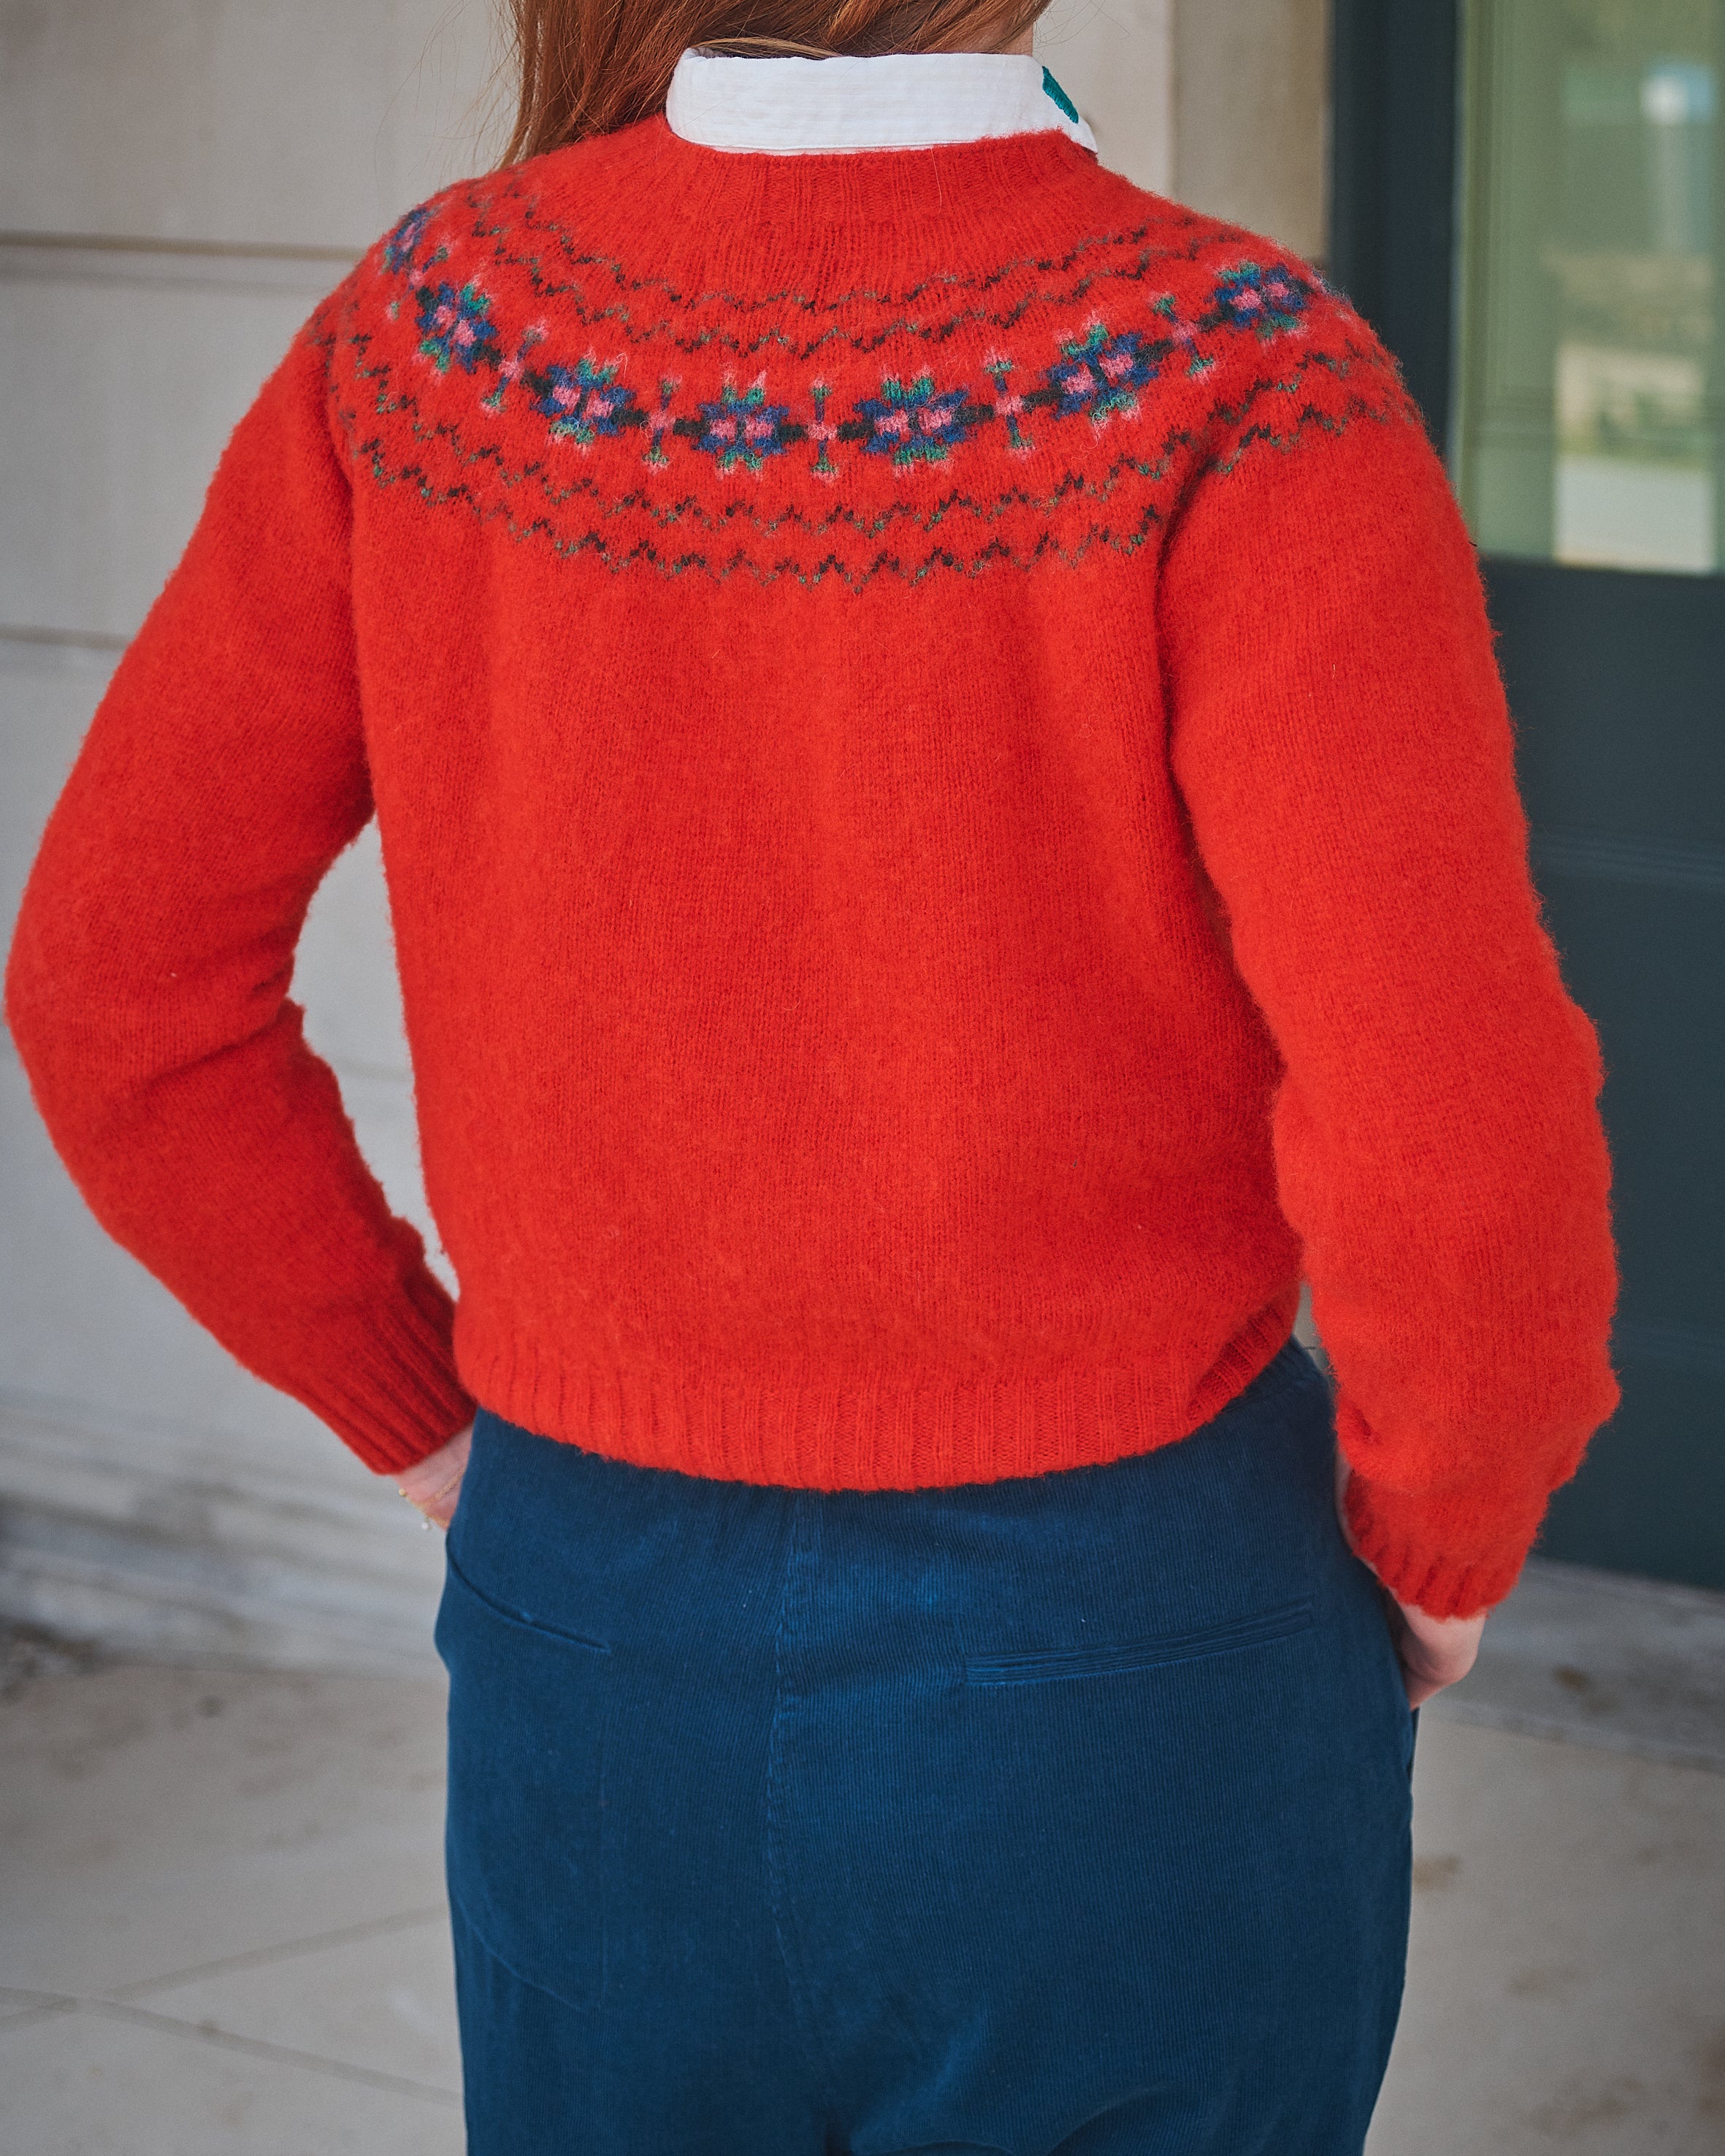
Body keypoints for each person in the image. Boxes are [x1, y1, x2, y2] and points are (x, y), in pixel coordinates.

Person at [4, 1, 1620, 2148]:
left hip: (594, 1616)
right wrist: (1439, 1540)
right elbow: (1454, 1132)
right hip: (1134, 1626)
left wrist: (423, 1413)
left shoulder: (434, 342)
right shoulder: (1233, 374)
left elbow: (113, 992)